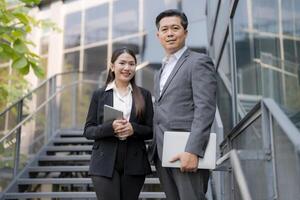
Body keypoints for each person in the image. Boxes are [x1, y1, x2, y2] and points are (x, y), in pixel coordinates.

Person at [149, 9, 217, 200]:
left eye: (175, 28)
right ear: (158, 35)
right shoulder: (160, 71)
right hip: (162, 152)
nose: (169, 33)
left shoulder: (198, 62)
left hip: (185, 151)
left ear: (185, 33)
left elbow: (205, 109)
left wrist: (192, 150)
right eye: (164, 29)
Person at [83, 47, 153, 200]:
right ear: (112, 66)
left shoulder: (144, 95)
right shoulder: (99, 95)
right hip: (104, 161)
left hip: (134, 161)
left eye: (131, 64)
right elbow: (88, 130)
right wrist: (110, 128)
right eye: (122, 63)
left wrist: (133, 129)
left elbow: (150, 130)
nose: (127, 68)